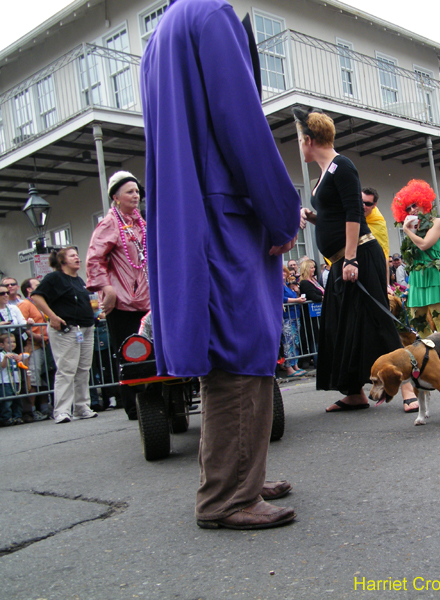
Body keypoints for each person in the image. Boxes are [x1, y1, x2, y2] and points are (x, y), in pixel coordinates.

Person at [141, 0, 299, 530]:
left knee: (229, 350)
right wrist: (280, 212)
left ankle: (240, 477)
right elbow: (241, 122)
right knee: (242, 347)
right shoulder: (210, 14)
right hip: (224, 210)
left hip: (195, 208)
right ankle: (228, 497)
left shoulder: (162, 32)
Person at [294, 107, 413, 413]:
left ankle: (408, 387)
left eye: (300, 139)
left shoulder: (342, 165)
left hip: (357, 255)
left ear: (309, 139)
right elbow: (334, 215)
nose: (299, 145)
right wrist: (311, 216)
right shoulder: (324, 174)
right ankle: (354, 392)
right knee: (339, 326)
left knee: (375, 319)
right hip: (341, 261)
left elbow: (353, 213)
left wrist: (350, 260)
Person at [86, 170, 150, 421]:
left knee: (152, 351)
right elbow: (94, 259)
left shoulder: (141, 222)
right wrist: (107, 288)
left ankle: (154, 399)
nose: (135, 196)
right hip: (123, 302)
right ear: (115, 197)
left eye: (137, 191)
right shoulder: (109, 223)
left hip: (148, 300)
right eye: (129, 192)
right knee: (129, 353)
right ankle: (134, 407)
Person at [30, 248, 97, 424]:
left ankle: (82, 407)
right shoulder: (54, 278)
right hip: (66, 329)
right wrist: (52, 316)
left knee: (83, 369)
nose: (77, 258)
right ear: (62, 261)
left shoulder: (79, 280)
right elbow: (36, 296)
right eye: (72, 255)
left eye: (77, 255)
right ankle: (61, 410)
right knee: (66, 370)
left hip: (86, 328)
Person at [395, 179, 440, 337]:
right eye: (408, 208)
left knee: (439, 320)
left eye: (415, 205)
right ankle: (431, 349)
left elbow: (424, 245)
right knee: (417, 321)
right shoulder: (414, 228)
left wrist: (407, 231)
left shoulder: (437, 222)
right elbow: (412, 258)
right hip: (416, 278)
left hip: (433, 274)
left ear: (423, 202)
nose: (412, 210)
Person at [16, 278, 51, 421]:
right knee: (33, 379)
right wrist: (36, 336)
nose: (40, 286)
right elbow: (22, 325)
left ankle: (44, 408)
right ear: (29, 289)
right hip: (34, 346)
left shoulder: (39, 303)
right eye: (37, 285)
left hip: (44, 344)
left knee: (43, 378)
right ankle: (31, 411)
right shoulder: (25, 304)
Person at [361, 187, 392, 289]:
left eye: (368, 204)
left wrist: (386, 285)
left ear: (374, 205)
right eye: (361, 202)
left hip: (371, 271)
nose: (363, 206)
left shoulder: (378, 222)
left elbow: (384, 255)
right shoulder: (350, 214)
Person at [281, 266, 307, 379]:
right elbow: (281, 299)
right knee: (288, 342)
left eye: (284, 272)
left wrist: (297, 293)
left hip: (295, 316)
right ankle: (289, 368)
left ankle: (295, 365)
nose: (283, 273)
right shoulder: (277, 285)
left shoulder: (287, 285)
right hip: (286, 318)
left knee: (295, 342)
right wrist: (296, 300)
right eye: (280, 271)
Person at [0, 332, 29, 426]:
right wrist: (5, 358)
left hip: (16, 381)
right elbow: (2, 366)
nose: (12, 344)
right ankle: (6, 418)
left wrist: (20, 357)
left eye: (14, 342)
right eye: (9, 342)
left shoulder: (15, 354)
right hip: (5, 382)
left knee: (17, 400)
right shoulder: (2, 354)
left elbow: (26, 355)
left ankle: (17, 416)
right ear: (2, 345)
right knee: (7, 401)